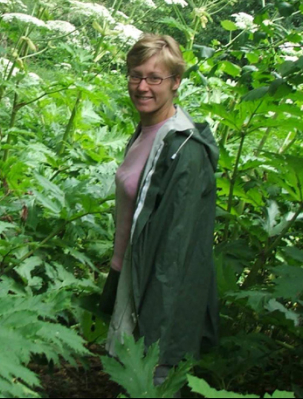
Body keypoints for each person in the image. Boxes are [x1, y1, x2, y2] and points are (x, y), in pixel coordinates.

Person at [100, 33, 219, 386]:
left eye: (155, 77)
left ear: (176, 82)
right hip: (130, 277)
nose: (142, 86)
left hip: (156, 294)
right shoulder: (146, 133)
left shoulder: (184, 151)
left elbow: (175, 256)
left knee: (149, 382)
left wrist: (157, 331)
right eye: (136, 75)